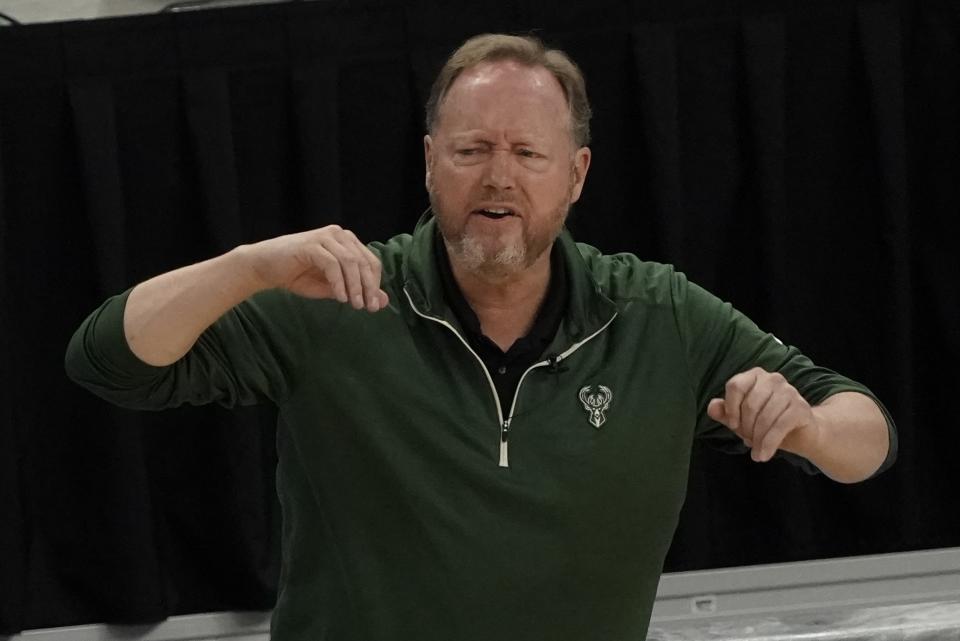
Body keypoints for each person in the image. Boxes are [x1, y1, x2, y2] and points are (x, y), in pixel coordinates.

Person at [66, 33, 896, 641]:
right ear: (430, 162)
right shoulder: (336, 294)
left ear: (574, 176)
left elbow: (869, 438)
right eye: (471, 149)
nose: (498, 175)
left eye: (528, 152)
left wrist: (809, 425)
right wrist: (247, 265)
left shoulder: (658, 315)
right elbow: (108, 360)